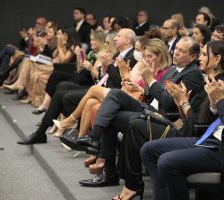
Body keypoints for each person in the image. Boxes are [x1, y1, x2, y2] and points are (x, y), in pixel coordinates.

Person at [140, 36, 224, 200]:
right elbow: (223, 113)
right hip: (210, 137)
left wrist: (219, 101)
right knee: (148, 150)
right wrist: (214, 103)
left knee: (167, 162)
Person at [61, 37, 204, 188]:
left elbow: (169, 104)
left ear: (193, 56)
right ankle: (94, 140)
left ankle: (105, 165)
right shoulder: (175, 70)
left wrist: (150, 80)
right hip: (150, 109)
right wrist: (141, 88)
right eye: (176, 48)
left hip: (165, 120)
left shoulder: (192, 74)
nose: (175, 52)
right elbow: (155, 96)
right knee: (115, 95)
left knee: (111, 114)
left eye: (182, 51)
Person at [113, 40, 224, 200]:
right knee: (144, 144)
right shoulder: (205, 80)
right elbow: (189, 117)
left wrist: (182, 102)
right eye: (175, 48)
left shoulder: (217, 85)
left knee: (135, 124)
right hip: (186, 128)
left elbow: (198, 125)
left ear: (217, 60)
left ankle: (127, 182)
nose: (200, 58)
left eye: (204, 54)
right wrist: (181, 102)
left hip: (199, 137)